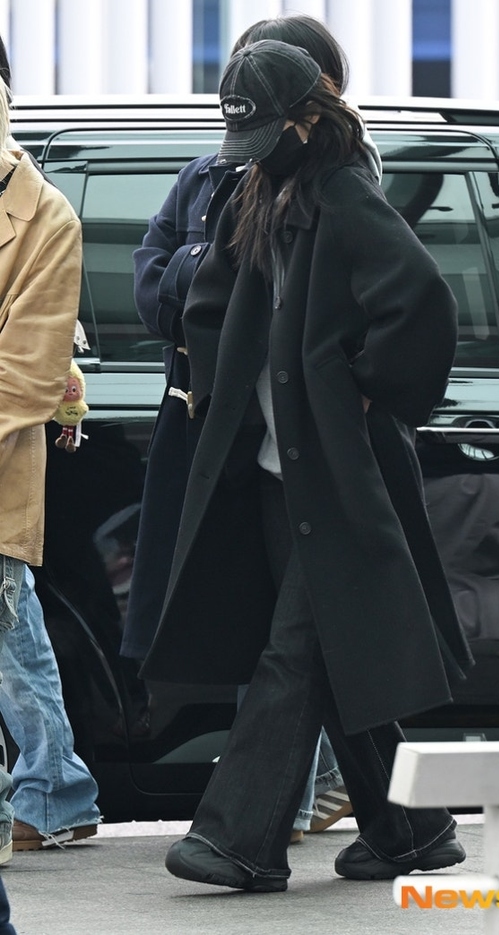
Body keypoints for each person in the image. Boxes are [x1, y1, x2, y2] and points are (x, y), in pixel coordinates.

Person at [140, 38, 473, 892]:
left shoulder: (345, 192)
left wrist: (360, 388)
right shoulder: (263, 190)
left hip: (335, 472)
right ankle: (412, 828)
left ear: (305, 119)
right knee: (333, 645)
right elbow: (211, 299)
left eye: (264, 136)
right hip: (273, 464)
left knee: (294, 650)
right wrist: (219, 385)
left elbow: (423, 304)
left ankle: (237, 839)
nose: (252, 155)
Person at [121, 14, 357, 837]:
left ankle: (277, 807)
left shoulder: (340, 181)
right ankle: (344, 797)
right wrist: (202, 271)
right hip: (208, 428)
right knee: (255, 617)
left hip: (295, 437)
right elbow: (155, 286)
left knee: (300, 626)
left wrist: (200, 276)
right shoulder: (206, 174)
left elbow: (280, 302)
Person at [0, 39, 101, 852]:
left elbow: (27, 371)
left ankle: (54, 787)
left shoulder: (47, 217)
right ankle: (54, 786)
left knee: (10, 632)